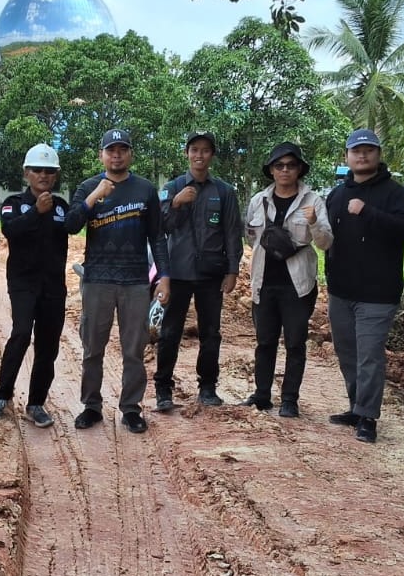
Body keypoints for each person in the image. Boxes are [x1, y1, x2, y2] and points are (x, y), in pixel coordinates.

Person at [65, 128, 170, 434]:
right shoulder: (87, 187)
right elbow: (71, 226)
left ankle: (131, 408)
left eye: (122, 149)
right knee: (92, 348)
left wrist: (164, 276)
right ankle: (91, 406)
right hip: (97, 279)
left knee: (133, 350)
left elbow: (157, 237)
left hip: (135, 281)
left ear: (130, 154)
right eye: (111, 150)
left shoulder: (145, 190)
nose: (117, 154)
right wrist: (95, 197)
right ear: (102, 155)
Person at [324, 129, 404, 443]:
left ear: (378, 154)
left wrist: (369, 212)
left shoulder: (394, 193)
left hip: (378, 292)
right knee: (347, 352)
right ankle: (356, 406)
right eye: (356, 151)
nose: (362, 156)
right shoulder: (336, 196)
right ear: (347, 156)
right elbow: (324, 237)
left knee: (370, 355)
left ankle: (368, 417)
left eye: (368, 150)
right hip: (341, 290)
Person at [242, 142, 333, 418]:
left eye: (290, 165)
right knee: (265, 341)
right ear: (271, 170)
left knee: (295, 342)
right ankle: (262, 395)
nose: (284, 170)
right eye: (279, 166)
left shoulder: (313, 201)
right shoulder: (259, 200)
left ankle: (290, 400)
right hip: (264, 282)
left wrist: (315, 221)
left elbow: (326, 242)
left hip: (298, 285)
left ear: (299, 169)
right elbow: (250, 235)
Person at [153, 131, 243, 411]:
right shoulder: (172, 187)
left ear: (212, 155)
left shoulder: (225, 192)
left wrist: (232, 270)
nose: (199, 155)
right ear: (186, 153)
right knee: (170, 332)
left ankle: (208, 388)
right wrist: (177, 203)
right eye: (194, 150)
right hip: (177, 272)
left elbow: (232, 233)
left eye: (205, 150)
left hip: (210, 274)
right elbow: (161, 229)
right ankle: (163, 390)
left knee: (211, 332)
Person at [0, 144, 69, 428]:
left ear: (55, 175)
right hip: (23, 282)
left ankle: (36, 403)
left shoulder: (61, 207)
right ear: (26, 173)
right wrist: (35, 212)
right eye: (37, 170)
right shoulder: (13, 203)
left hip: (53, 285)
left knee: (48, 344)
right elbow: (10, 230)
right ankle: (1, 396)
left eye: (49, 171)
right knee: (20, 334)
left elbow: (78, 224)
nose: (43, 175)